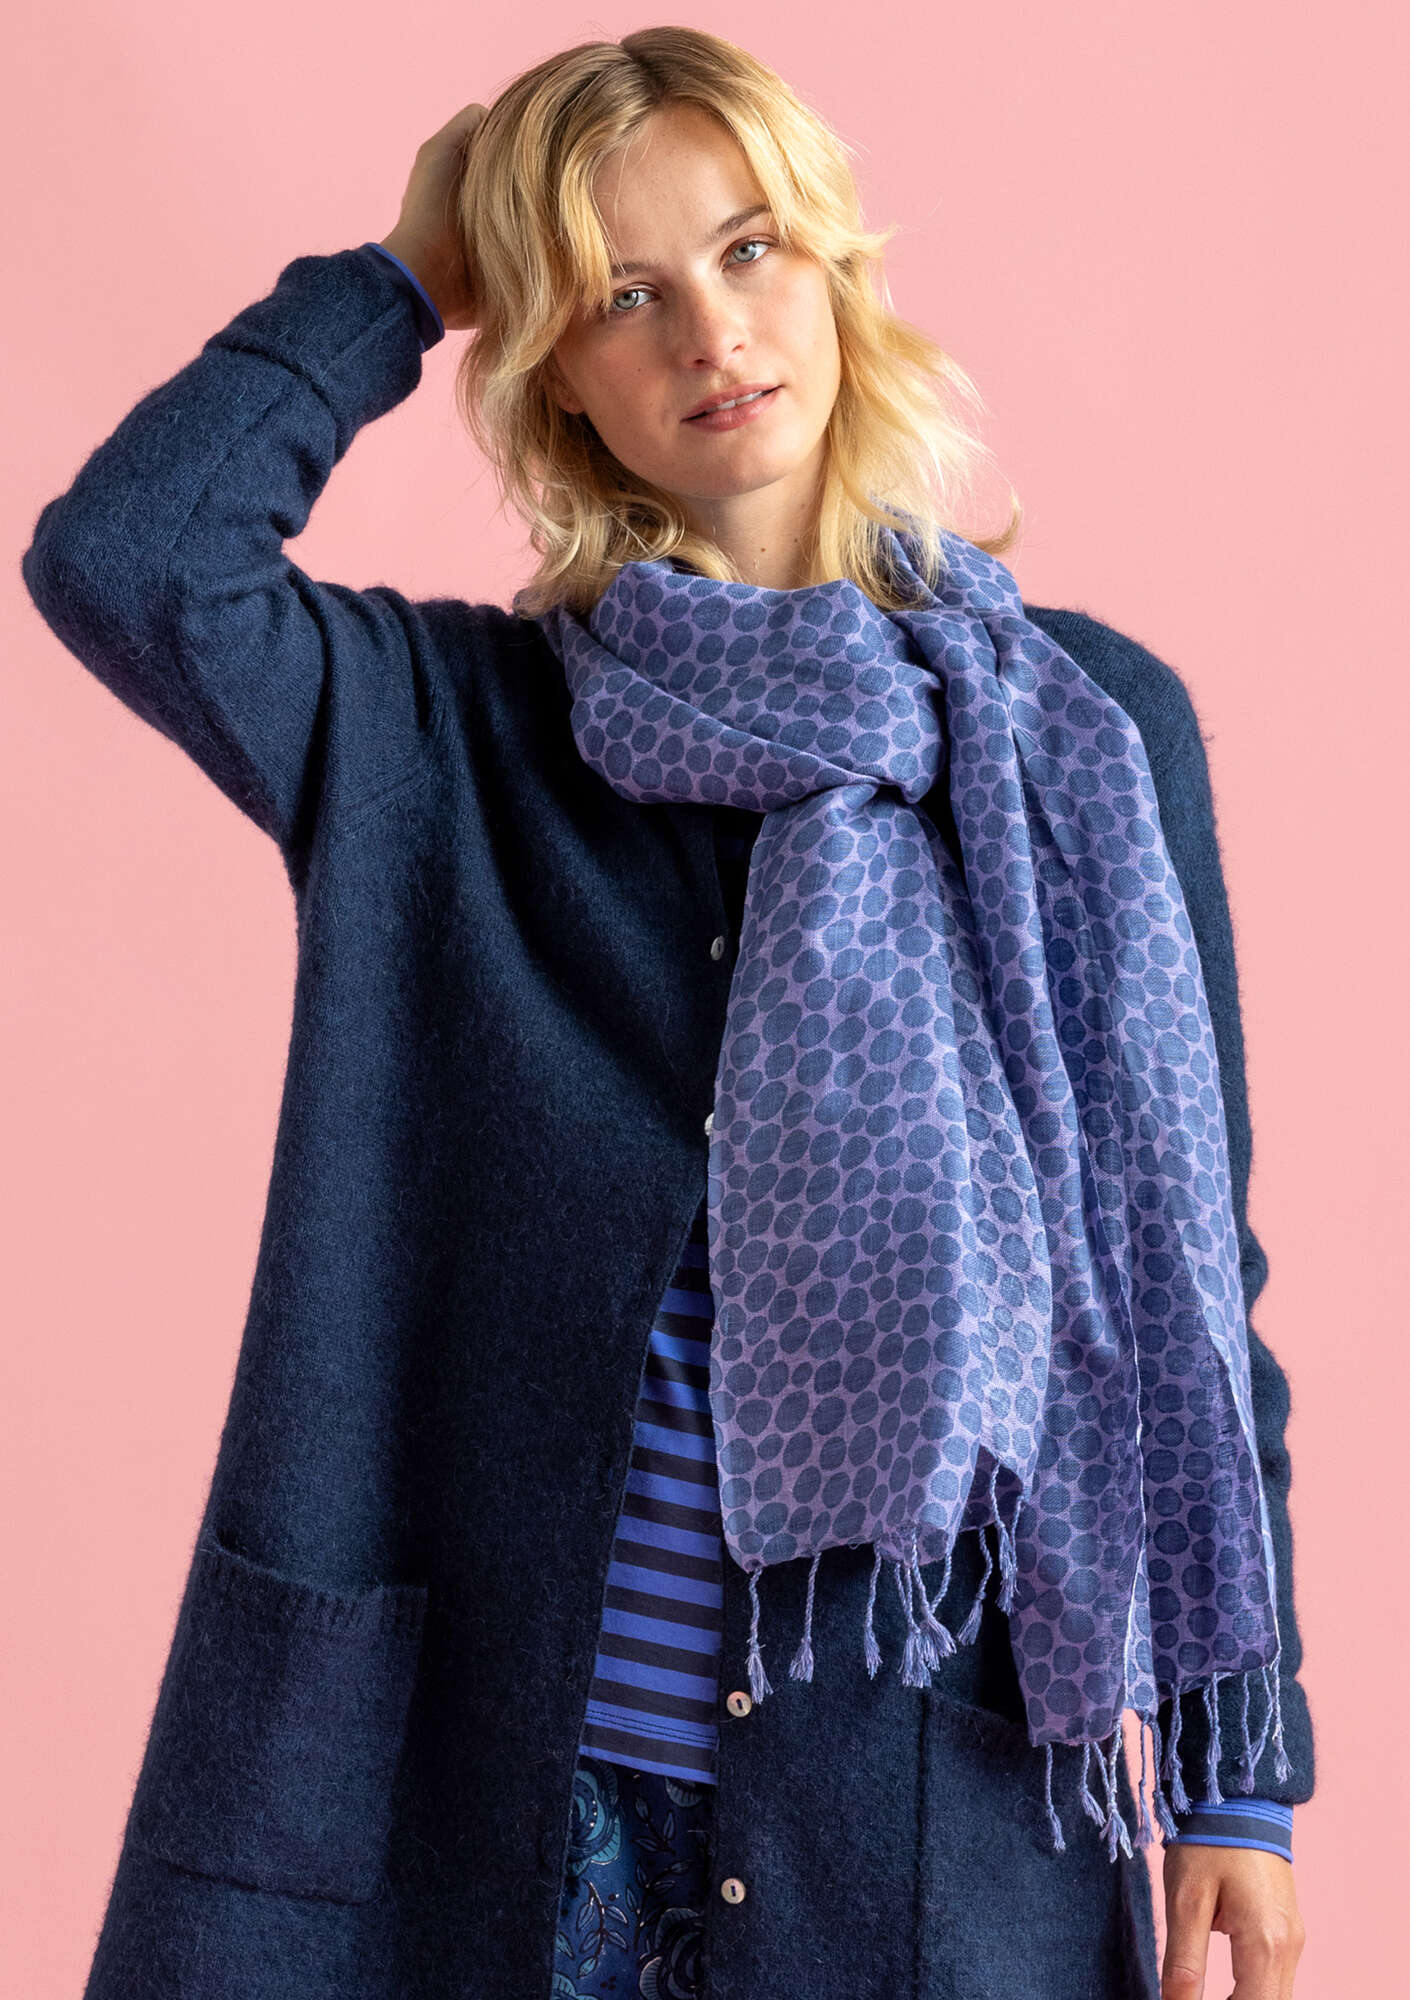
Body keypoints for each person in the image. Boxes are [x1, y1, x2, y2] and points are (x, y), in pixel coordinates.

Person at [21, 26, 1313, 2000]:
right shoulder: (444, 733)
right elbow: (129, 560)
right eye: (619, 294)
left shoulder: (1079, 740)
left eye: (748, 248)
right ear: (553, 365)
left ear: (834, 262)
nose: (711, 331)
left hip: (906, 1846)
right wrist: (407, 277)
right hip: (485, 1827)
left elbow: (1184, 1287)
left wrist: (1239, 1784)